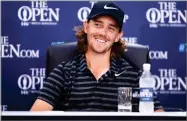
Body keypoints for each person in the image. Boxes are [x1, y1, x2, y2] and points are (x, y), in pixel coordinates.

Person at [31, 1, 164, 111]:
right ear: (86, 27)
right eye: (97, 25)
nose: (103, 33)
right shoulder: (64, 72)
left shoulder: (133, 76)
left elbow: (159, 116)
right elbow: (35, 116)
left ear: (118, 36)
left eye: (111, 28)